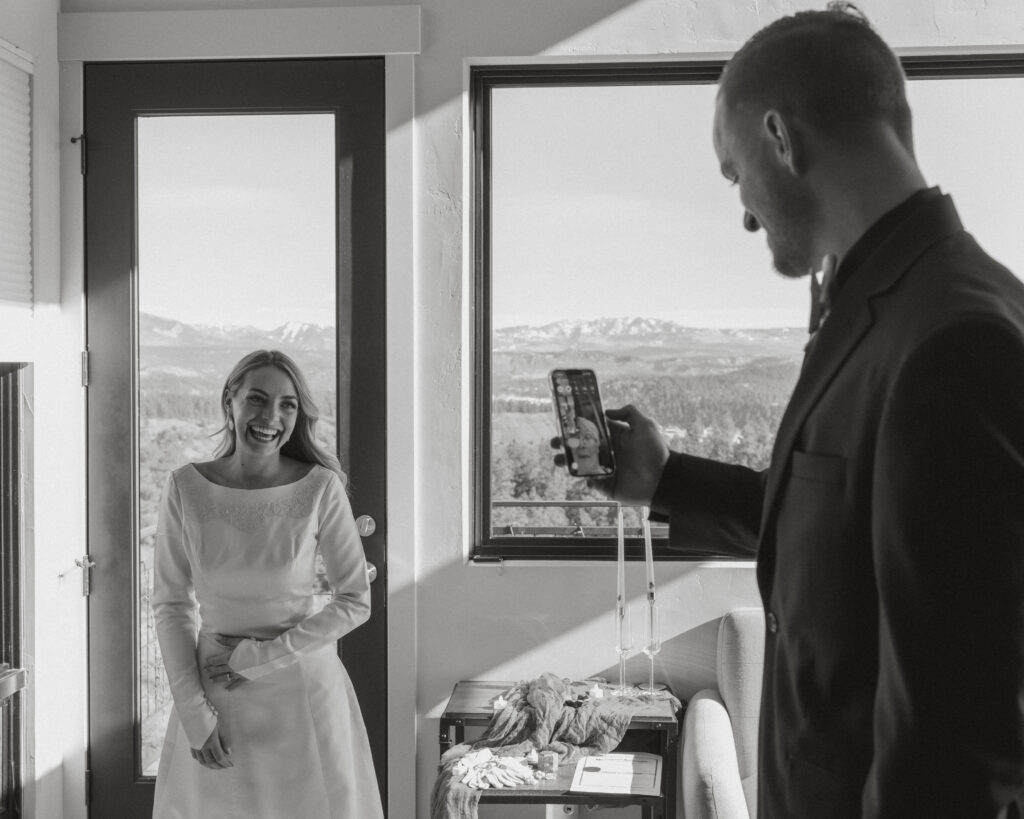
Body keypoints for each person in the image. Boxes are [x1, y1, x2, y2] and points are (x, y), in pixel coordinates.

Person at [578, 4, 1024, 816]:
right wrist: (667, 478)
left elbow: (955, 738)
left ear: (781, 138)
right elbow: (841, 532)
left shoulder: (957, 343)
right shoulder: (879, 311)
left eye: (733, 171)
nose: (744, 211)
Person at [151, 350, 384, 819]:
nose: (271, 417)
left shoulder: (319, 487)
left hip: (302, 692)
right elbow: (171, 605)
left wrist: (258, 657)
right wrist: (195, 715)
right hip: (215, 695)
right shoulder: (185, 488)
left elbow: (356, 601)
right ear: (229, 400)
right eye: (257, 399)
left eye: (288, 405)